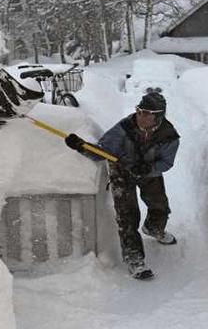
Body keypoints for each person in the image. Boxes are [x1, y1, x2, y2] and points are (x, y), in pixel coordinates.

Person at [64, 92, 180, 279]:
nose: (140, 115)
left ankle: (154, 228)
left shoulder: (169, 136)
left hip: (149, 172)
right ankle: (134, 259)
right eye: (139, 110)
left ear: (158, 116)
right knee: (127, 216)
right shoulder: (125, 128)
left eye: (146, 113)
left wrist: (148, 168)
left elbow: (166, 163)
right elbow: (101, 150)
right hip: (122, 171)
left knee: (160, 206)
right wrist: (81, 146)